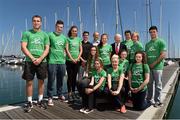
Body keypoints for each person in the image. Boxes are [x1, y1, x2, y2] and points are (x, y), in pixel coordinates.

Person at [21, 15, 49, 112]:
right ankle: (29, 102)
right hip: (30, 61)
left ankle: (40, 100)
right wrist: (33, 58)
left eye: (38, 21)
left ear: (41, 23)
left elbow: (47, 48)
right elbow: (23, 47)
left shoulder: (45, 35)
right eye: (34, 21)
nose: (36, 22)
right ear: (32, 22)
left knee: (41, 81)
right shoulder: (26, 33)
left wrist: (40, 58)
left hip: (42, 61)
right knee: (29, 82)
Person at [47, 20, 67, 106]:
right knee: (51, 79)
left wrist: (65, 57)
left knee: (60, 79)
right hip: (52, 61)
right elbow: (47, 47)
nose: (60, 29)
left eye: (61, 27)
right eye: (58, 27)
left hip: (62, 62)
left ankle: (59, 94)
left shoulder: (64, 38)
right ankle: (50, 97)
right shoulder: (50, 35)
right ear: (56, 26)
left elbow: (65, 49)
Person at [145, 26, 166, 107]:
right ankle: (149, 99)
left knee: (158, 84)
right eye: (151, 32)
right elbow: (146, 55)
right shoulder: (147, 44)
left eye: (154, 31)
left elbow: (163, 54)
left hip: (158, 67)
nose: (152, 33)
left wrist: (154, 63)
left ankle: (157, 101)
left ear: (157, 32)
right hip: (149, 67)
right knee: (149, 84)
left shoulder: (161, 42)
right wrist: (147, 64)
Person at [66, 25, 83, 102]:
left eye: (76, 31)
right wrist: (72, 59)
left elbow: (81, 50)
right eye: (73, 31)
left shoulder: (79, 39)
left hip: (77, 61)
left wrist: (77, 58)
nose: (74, 32)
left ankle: (73, 92)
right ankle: (69, 93)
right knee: (69, 77)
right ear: (71, 31)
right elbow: (67, 50)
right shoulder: (68, 39)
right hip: (69, 61)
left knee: (74, 77)